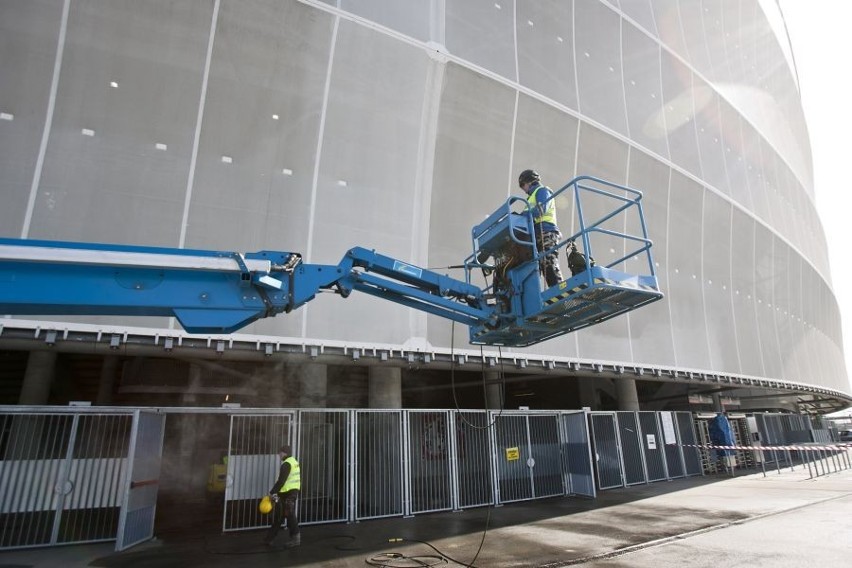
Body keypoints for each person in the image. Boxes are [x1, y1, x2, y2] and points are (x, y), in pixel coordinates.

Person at [518, 169, 564, 287]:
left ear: (529, 181)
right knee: (537, 266)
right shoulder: (530, 198)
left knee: (548, 261)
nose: (523, 189)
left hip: (546, 231)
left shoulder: (542, 191)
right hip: (536, 234)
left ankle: (559, 290)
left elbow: (541, 209)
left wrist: (523, 216)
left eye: (522, 185)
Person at [263, 445, 301, 547]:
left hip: (289, 492)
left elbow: (281, 481)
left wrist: (271, 493)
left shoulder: (287, 464)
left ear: (285, 453)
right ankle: (269, 539)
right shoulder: (294, 461)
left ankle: (296, 538)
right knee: (280, 515)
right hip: (289, 492)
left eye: (280, 452)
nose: (279, 455)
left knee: (289, 513)